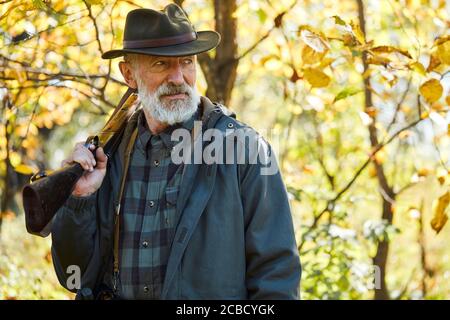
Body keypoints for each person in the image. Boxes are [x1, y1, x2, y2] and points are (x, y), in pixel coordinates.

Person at [51, 3, 301, 300]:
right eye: (161, 64)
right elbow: (73, 274)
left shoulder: (244, 151)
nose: (178, 77)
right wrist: (79, 199)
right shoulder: (107, 155)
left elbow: (276, 278)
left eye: (187, 62)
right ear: (129, 74)